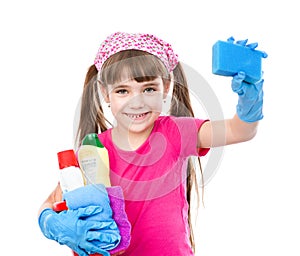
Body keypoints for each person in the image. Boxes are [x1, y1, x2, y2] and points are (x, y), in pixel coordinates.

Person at [38, 32, 266, 256]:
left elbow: (239, 131)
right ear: (106, 94)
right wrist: (52, 224)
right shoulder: (91, 152)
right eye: (122, 91)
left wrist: (249, 101)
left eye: (148, 89)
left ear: (165, 87)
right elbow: (50, 204)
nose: (136, 103)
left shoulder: (176, 132)